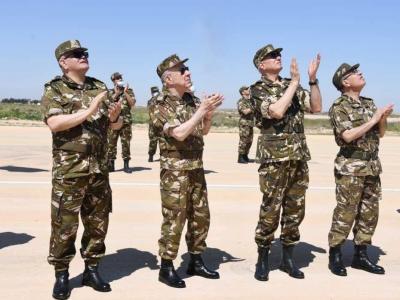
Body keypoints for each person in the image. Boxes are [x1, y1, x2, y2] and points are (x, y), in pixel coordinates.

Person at [41, 40, 122, 300]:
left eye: (85, 53)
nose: (84, 56)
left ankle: (92, 269)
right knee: (64, 225)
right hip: (70, 170)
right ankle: (62, 274)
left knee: (97, 223)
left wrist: (114, 118)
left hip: (98, 169)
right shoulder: (54, 89)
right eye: (77, 54)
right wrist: (89, 110)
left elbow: (115, 126)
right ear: (64, 62)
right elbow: (55, 123)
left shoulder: (99, 87)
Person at [150, 54, 223, 288]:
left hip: (196, 167)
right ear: (169, 78)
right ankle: (167, 267)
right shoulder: (159, 103)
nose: (188, 73)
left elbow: (203, 131)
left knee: (200, 217)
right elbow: (179, 134)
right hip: (175, 171)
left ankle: (196, 261)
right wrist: (202, 110)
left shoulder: (190, 100)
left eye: (187, 69)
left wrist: (208, 115)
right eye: (182, 70)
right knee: (174, 218)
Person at [250, 44, 322, 281]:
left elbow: (316, 107)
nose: (278, 57)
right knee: (270, 208)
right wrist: (293, 83)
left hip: (298, 156)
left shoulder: (293, 85)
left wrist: (311, 81)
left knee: (295, 209)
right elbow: (277, 111)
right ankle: (263, 257)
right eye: (272, 56)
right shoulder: (257, 89)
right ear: (261, 65)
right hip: (274, 159)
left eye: (278, 54)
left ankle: (287, 258)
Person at [327, 63, 393, 276]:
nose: (360, 73)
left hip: (372, 166)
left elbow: (380, 134)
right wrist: (374, 118)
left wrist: (382, 119)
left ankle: (360, 255)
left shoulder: (369, 103)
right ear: (345, 82)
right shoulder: (339, 106)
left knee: (369, 213)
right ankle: (335, 254)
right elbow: (346, 136)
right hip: (350, 167)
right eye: (354, 73)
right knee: (345, 212)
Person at [107, 72, 136, 173]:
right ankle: (111, 164)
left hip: (126, 122)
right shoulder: (110, 92)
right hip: (114, 122)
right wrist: (117, 93)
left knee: (126, 143)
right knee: (111, 143)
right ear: (113, 81)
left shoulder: (129, 91)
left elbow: (132, 104)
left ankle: (126, 165)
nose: (119, 79)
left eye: (120, 77)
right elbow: (107, 103)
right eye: (117, 78)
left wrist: (125, 92)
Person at [237, 86, 255, 163]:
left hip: (250, 123)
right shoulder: (241, 101)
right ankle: (240, 157)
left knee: (249, 141)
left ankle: (245, 156)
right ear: (242, 92)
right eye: (246, 89)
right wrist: (253, 108)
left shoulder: (250, 101)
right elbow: (245, 111)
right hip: (244, 124)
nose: (248, 90)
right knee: (243, 140)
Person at [147, 86, 161, 162]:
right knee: (153, 140)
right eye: (154, 92)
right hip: (153, 124)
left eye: (157, 92)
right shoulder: (150, 101)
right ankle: (151, 156)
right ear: (151, 93)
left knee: (163, 140)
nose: (156, 94)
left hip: (162, 123)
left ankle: (162, 156)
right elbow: (150, 110)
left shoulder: (162, 100)